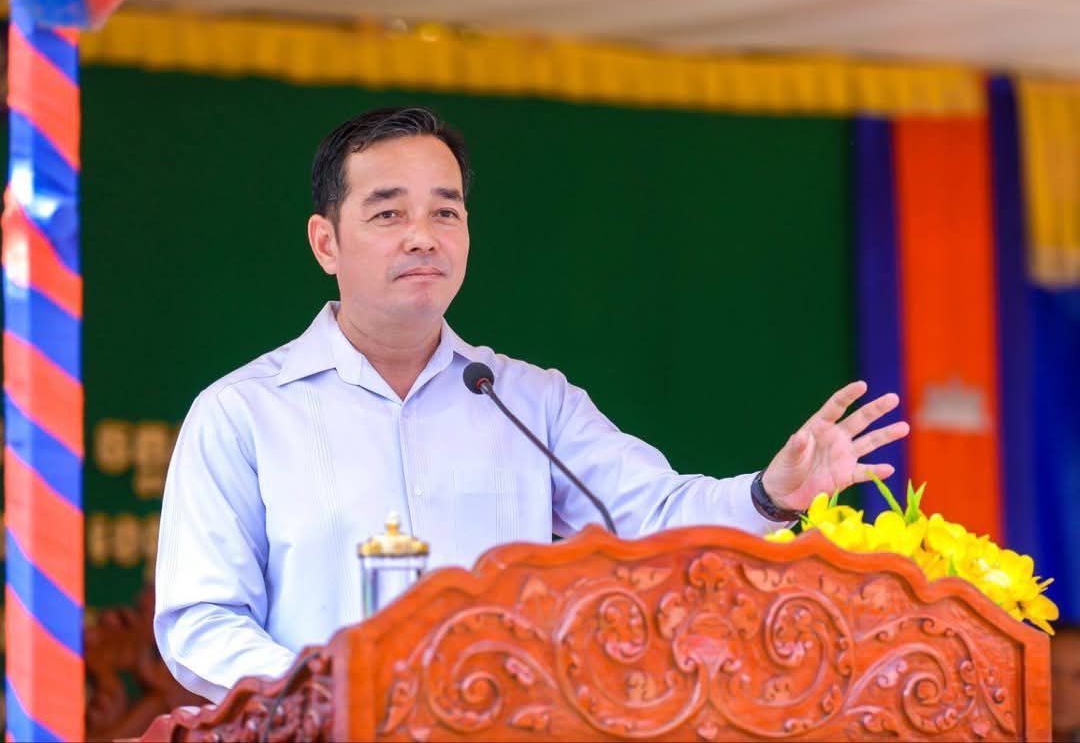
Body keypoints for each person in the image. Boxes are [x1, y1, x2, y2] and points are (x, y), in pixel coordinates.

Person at [154, 106, 910, 702]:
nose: (423, 237)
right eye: (388, 214)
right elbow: (201, 621)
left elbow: (649, 515)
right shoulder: (244, 413)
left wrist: (770, 495)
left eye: (445, 212)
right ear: (326, 243)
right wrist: (332, 695)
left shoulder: (526, 400)